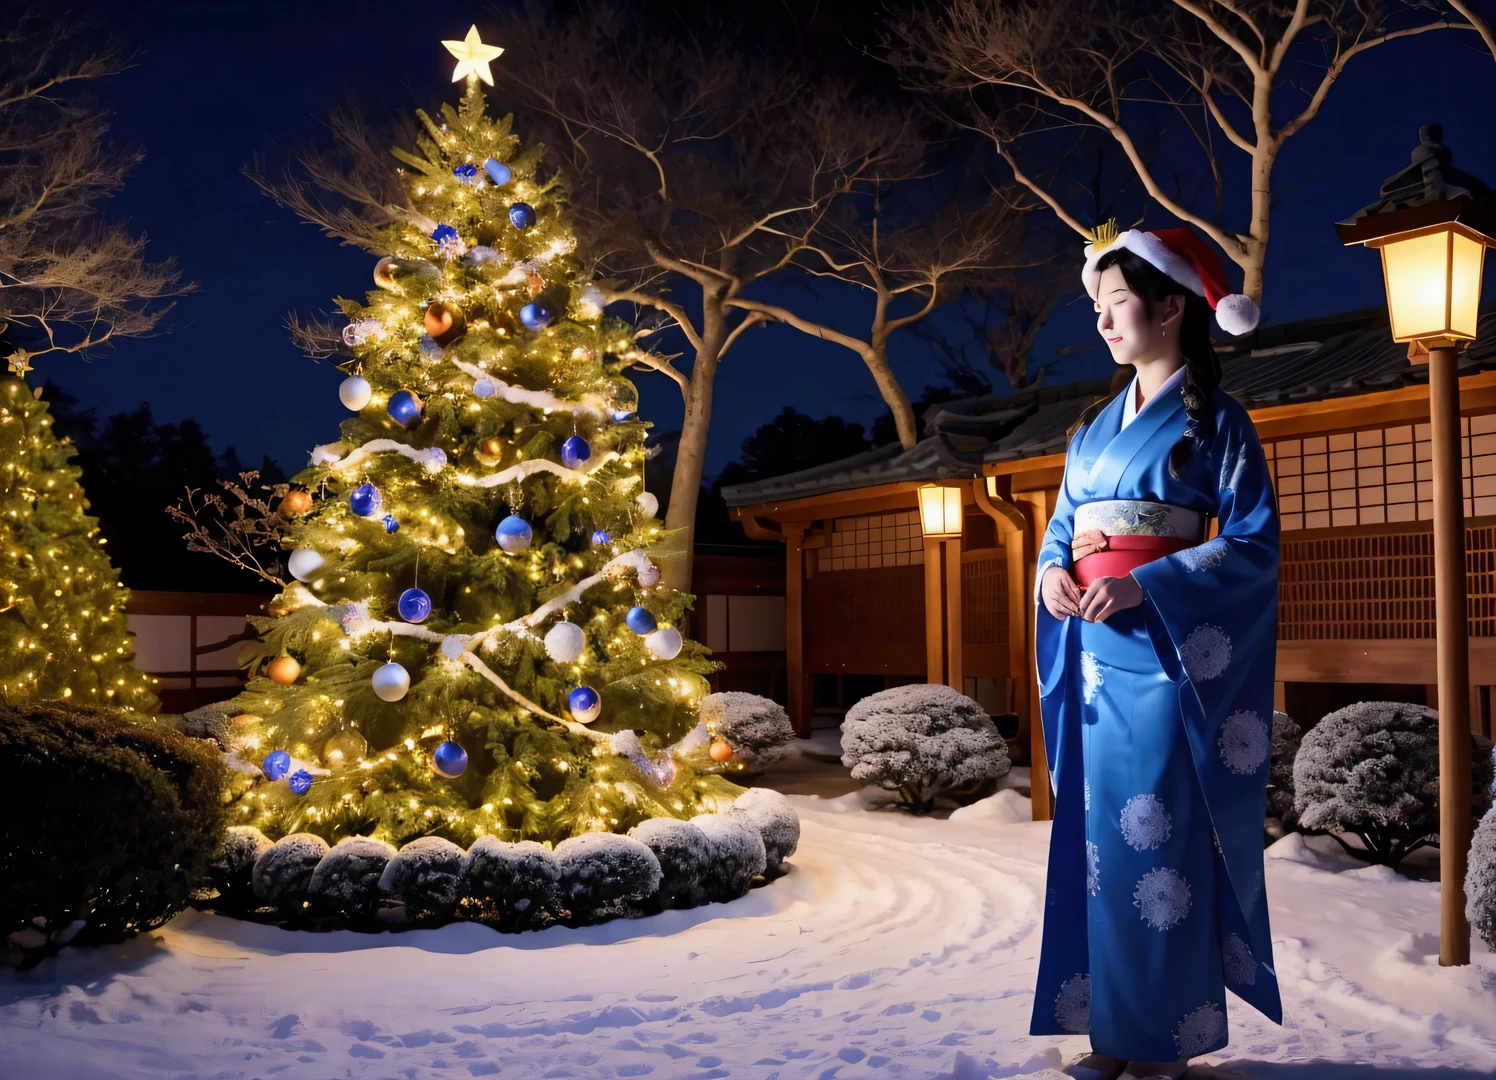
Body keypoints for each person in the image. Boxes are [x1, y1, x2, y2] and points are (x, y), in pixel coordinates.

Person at [1026, 224, 1284, 1080]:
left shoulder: (1220, 421)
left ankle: (1165, 1037)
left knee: (1160, 845)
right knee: (1103, 847)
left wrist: (1152, 585)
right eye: (1095, 307)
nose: (1102, 320)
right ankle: (1112, 1032)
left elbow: (1250, 544)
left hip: (1169, 658)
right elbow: (1064, 524)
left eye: (1118, 303)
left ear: (1172, 306)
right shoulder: (1091, 430)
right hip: (1097, 658)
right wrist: (1051, 571)